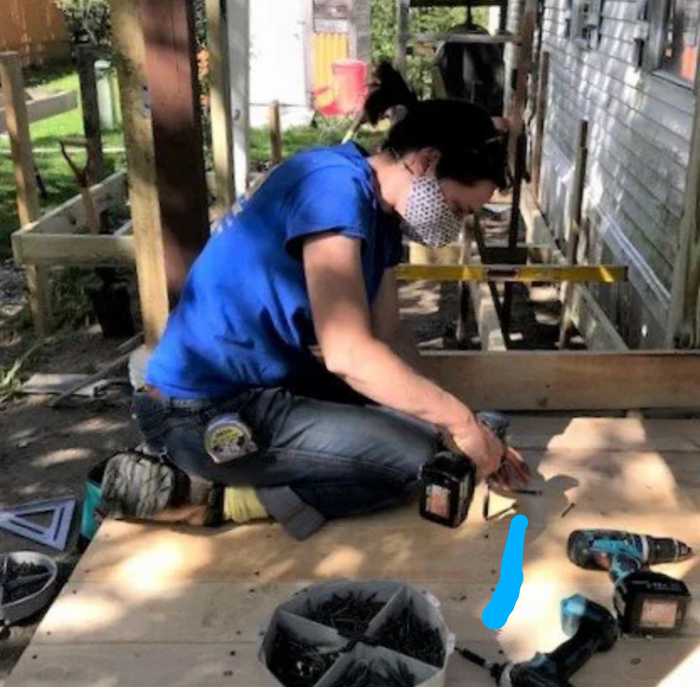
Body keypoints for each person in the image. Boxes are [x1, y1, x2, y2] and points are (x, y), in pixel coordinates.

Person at [101, 63, 530, 539]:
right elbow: (348, 354)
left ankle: (235, 478)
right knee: (418, 464)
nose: (454, 224)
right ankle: (209, 495)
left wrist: (461, 427)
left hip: (261, 383)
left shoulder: (381, 215)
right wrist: (459, 424)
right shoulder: (333, 191)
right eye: (457, 208)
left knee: (433, 441)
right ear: (427, 163)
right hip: (200, 410)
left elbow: (388, 336)